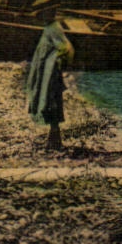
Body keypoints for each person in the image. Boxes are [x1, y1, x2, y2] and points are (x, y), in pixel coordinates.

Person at [26, 21, 74, 150]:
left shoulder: (53, 28)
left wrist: (55, 63)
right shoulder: (48, 27)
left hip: (51, 72)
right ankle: (52, 139)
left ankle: (55, 141)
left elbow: (65, 48)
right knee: (47, 103)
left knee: (52, 103)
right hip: (45, 71)